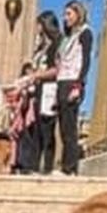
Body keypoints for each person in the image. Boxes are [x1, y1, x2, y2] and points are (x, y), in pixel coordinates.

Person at [55, 0, 93, 175]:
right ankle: (65, 164)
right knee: (63, 127)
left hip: (73, 81)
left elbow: (85, 60)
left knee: (70, 127)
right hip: (62, 80)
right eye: (65, 14)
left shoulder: (85, 33)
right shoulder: (68, 37)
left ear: (78, 14)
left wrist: (79, 84)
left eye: (69, 14)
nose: (66, 17)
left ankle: (69, 167)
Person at [27, 10, 63, 175]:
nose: (37, 28)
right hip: (38, 89)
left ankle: (48, 166)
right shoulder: (41, 46)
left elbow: (57, 69)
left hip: (50, 88)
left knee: (48, 129)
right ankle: (34, 165)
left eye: (39, 24)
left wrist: (38, 75)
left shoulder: (57, 44)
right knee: (37, 128)